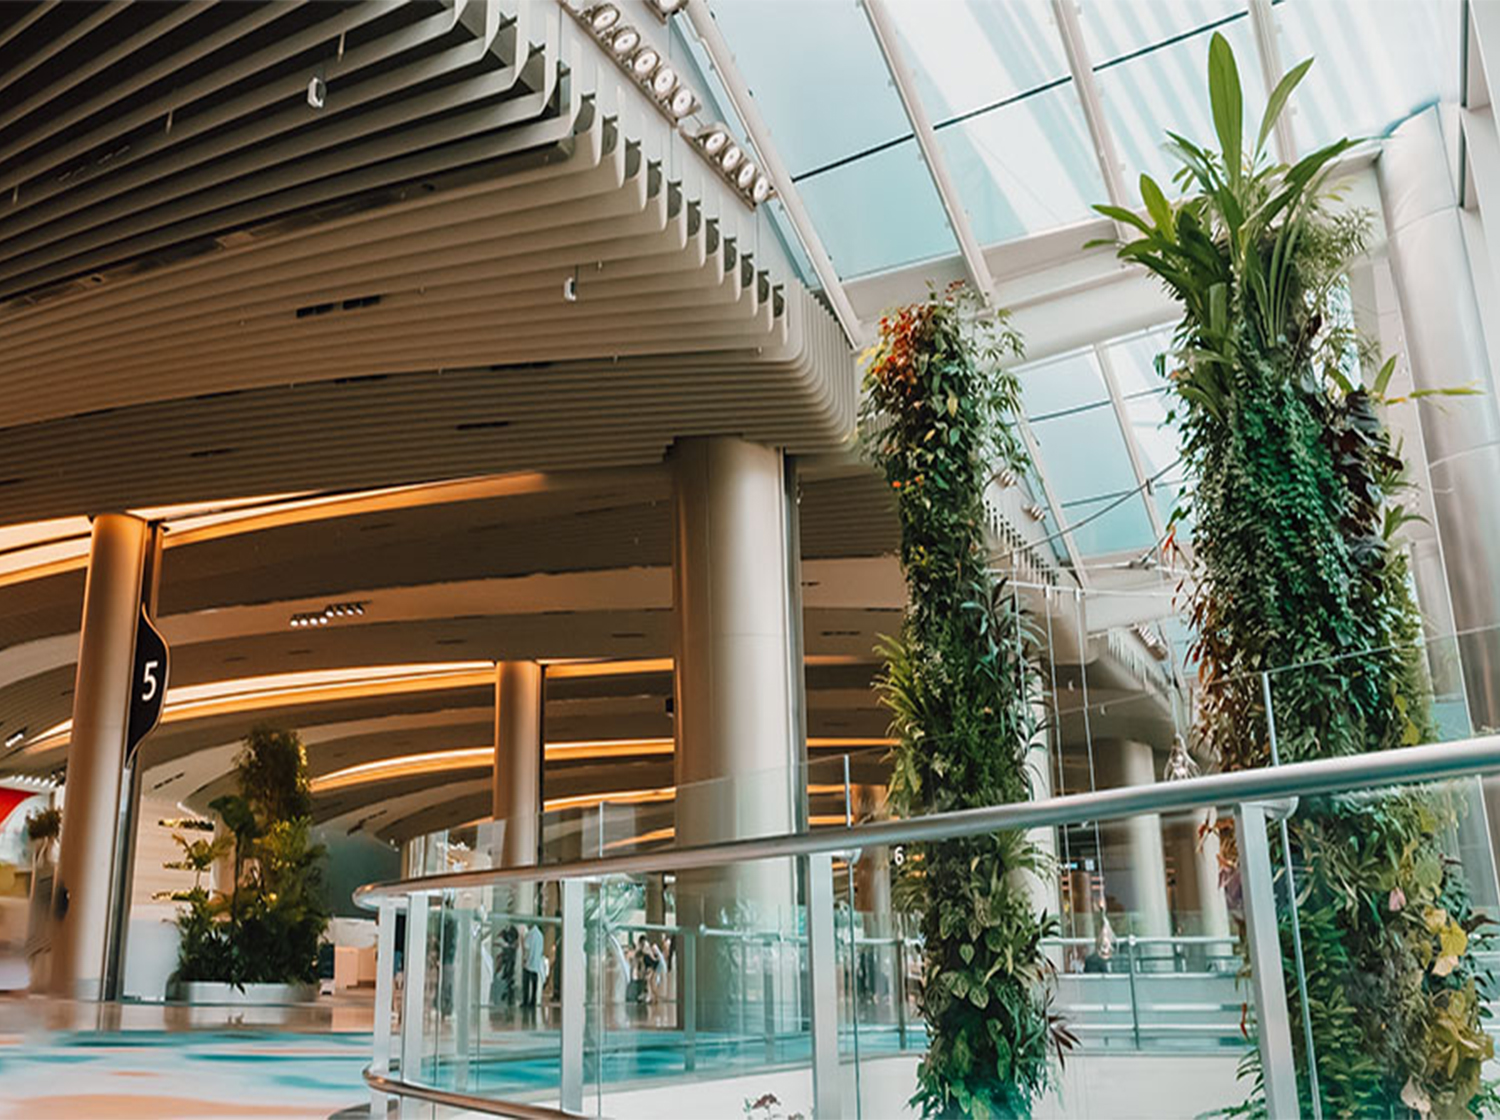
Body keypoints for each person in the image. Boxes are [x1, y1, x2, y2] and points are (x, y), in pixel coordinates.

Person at [521, 923, 546, 1009]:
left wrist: (524, 960)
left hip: (528, 963)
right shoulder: (540, 935)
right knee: (534, 985)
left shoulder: (529, 935)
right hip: (536, 964)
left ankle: (525, 1001)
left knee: (526, 984)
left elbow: (526, 949)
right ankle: (533, 1001)